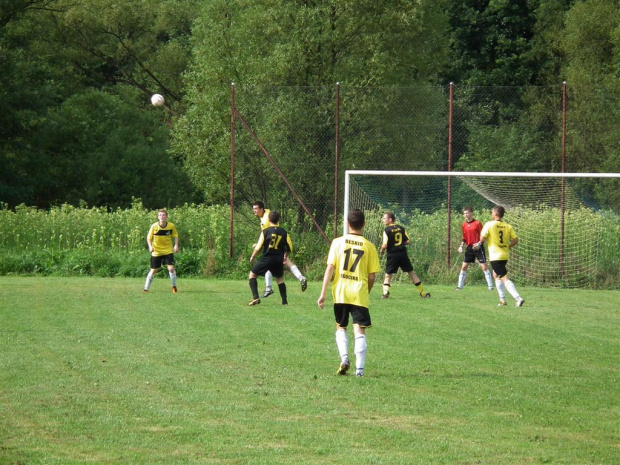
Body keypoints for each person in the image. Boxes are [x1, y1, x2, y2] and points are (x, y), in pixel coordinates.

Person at [317, 209, 380, 377]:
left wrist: (322, 294)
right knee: (359, 330)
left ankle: (344, 358)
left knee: (341, 326)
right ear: (364, 224)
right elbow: (372, 276)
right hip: (359, 292)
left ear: (347, 224)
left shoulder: (337, 242)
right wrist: (366, 291)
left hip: (341, 292)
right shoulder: (369, 246)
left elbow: (330, 268)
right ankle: (360, 370)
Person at [252, 201, 307, 296]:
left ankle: (269, 288)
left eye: (256, 209)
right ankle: (300, 277)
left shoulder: (266, 220)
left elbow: (269, 234)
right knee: (286, 261)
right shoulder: (267, 213)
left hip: (274, 243)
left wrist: (259, 245)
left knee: (272, 263)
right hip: (278, 240)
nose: (254, 211)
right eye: (253, 209)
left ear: (261, 209)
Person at [477, 205, 525, 307]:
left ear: (495, 214)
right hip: (504, 255)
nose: (491, 214)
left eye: (492, 212)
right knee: (496, 275)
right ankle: (502, 300)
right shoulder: (508, 226)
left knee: (504, 277)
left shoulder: (489, 224)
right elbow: (515, 240)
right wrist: (508, 246)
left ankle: (518, 298)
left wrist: (478, 244)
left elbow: (482, 239)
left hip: (495, 256)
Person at [379, 212, 430, 299]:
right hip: (402, 254)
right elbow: (408, 241)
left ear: (390, 219)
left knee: (388, 275)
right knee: (411, 273)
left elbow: (384, 245)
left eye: (384, 218)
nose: (383, 220)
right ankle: (423, 293)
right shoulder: (401, 228)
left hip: (392, 255)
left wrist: (381, 251)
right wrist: (399, 243)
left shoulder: (386, 230)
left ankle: (385, 294)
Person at [248, 211, 292, 306]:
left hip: (267, 257)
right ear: (279, 220)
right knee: (279, 279)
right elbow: (289, 248)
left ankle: (256, 297)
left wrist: (252, 256)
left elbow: (258, 247)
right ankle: (284, 302)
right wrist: (286, 256)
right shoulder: (284, 232)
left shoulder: (265, 231)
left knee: (252, 275)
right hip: (278, 259)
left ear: (268, 219)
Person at [456, 206, 494, 291]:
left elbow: (483, 236)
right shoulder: (464, 224)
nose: (465, 215)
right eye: (464, 213)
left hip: (478, 247)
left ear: (471, 213)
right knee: (464, 267)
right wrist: (461, 246)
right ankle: (459, 286)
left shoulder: (477, 223)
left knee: (484, 267)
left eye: (467, 213)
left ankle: (491, 287)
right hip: (469, 248)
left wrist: (479, 244)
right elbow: (464, 237)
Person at [143, 209, 179, 294]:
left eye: (163, 215)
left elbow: (176, 235)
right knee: (153, 270)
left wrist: (176, 245)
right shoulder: (154, 226)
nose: (162, 217)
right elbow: (149, 238)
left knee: (171, 268)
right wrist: (150, 246)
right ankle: (146, 288)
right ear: (158, 217)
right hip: (156, 251)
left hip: (168, 251)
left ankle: (173, 286)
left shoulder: (171, 226)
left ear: (166, 216)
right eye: (160, 215)